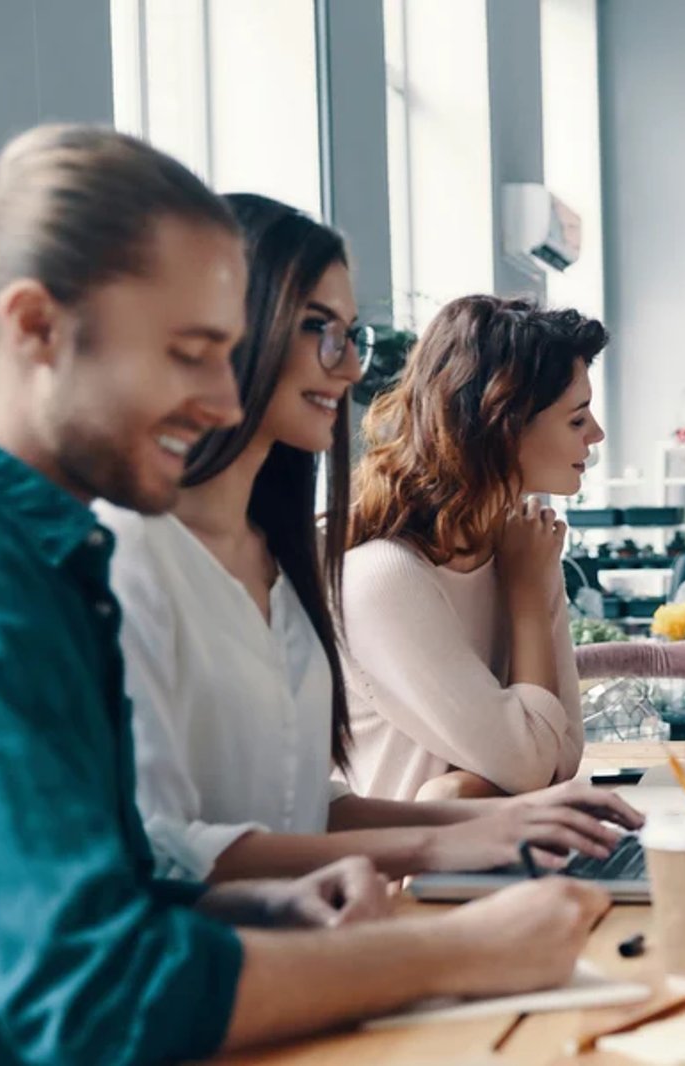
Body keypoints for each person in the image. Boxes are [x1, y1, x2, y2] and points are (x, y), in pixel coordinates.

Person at [0, 126, 605, 1063]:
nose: (227, 402)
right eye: (191, 353)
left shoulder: (39, 550)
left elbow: (113, 881)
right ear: (35, 327)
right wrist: (454, 948)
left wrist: (252, 900)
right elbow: (88, 995)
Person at [102, 194, 641, 882]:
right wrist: (453, 832)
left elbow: (309, 807)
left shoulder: (284, 557)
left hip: (330, 927)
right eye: (322, 330)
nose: (354, 367)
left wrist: (501, 822)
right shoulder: (136, 554)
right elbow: (164, 852)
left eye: (351, 335)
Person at [344, 295, 614, 801]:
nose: (595, 434)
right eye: (577, 420)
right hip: (407, 876)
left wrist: (468, 785)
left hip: (508, 856)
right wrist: (528, 592)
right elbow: (533, 762)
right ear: (503, 428)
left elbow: (564, 752)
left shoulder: (521, 545)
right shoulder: (384, 576)